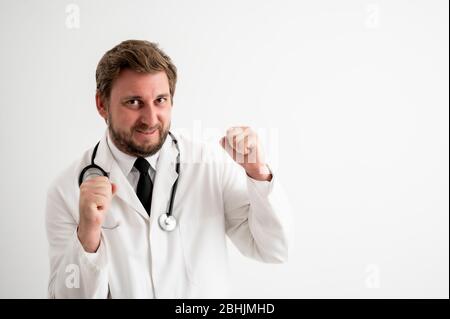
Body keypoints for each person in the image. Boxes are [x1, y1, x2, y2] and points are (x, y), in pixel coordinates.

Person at [45, 39, 291, 298]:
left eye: (160, 100)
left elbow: (273, 249)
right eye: (133, 102)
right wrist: (88, 234)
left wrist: (258, 174)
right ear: (102, 104)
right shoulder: (66, 191)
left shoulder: (210, 165)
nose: (150, 119)